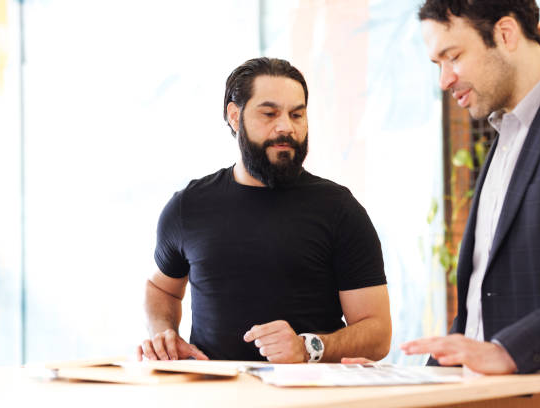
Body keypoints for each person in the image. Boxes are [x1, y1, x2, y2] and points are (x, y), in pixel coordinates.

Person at [347, 0, 540, 374]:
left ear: (505, 34)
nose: (444, 80)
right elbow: (480, 317)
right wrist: (413, 376)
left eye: (452, 56)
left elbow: (500, 348)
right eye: (437, 64)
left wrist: (509, 351)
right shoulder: (503, 137)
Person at [137, 57, 392, 363]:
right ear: (235, 116)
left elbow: (377, 333)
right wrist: (163, 332)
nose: (286, 127)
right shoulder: (187, 206)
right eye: (269, 113)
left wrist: (308, 347)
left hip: (310, 399)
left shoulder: (340, 210)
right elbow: (160, 288)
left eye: (297, 114)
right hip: (214, 396)